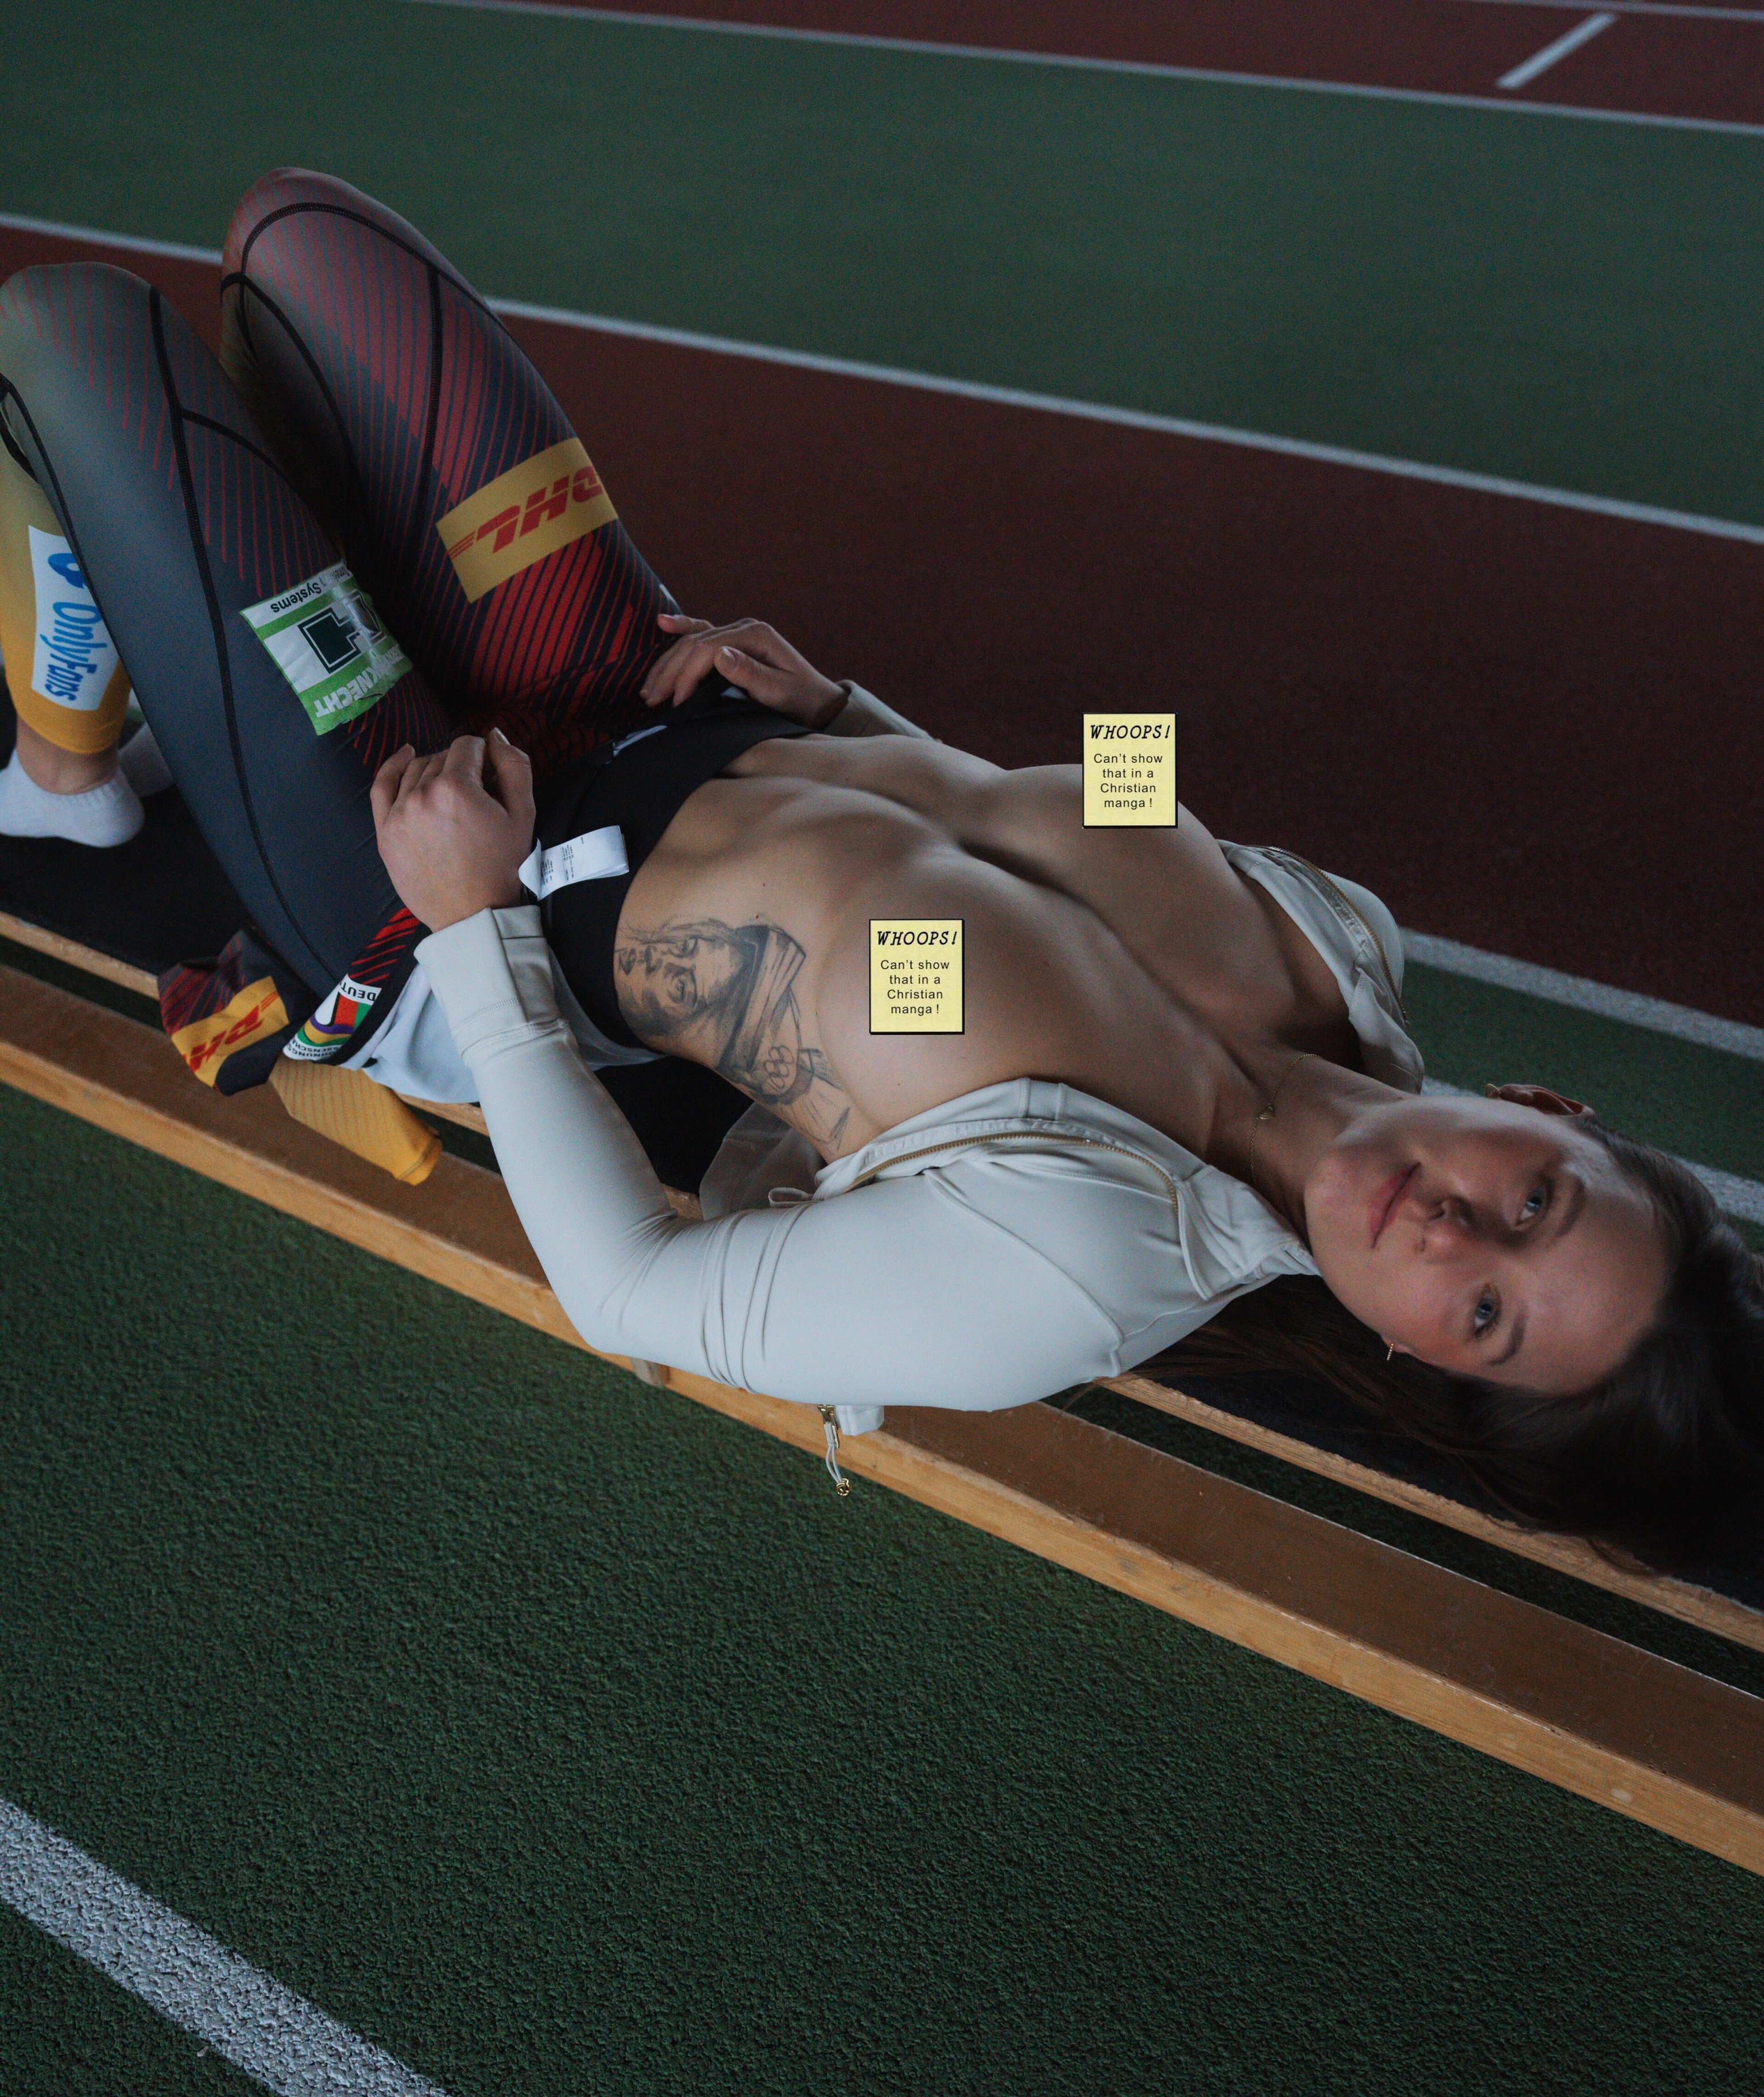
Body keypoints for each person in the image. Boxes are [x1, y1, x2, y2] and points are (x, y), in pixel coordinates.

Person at [1, 172, 1757, 1559]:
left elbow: (633, 1299)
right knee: (304, 247)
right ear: (1551, 1112)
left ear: (1424, 1359)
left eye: (1486, 1310)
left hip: (451, 879)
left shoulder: (1068, 1276)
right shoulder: (1338, 928)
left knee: (76, 343)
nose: (1456, 1228)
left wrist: (469, 931)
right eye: (1539, 1202)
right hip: (639, 697)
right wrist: (854, 707)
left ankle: (63, 778)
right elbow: (1058, 813)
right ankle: (161, 703)